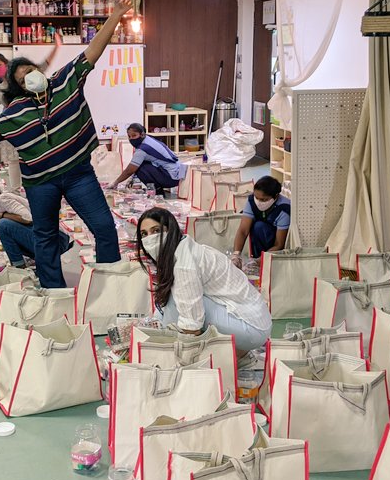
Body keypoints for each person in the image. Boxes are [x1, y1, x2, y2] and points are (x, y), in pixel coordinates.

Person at [0, 0, 135, 288]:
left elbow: (92, 51)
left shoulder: (65, 82)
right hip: (40, 183)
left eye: (30, 71)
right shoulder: (16, 111)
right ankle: (55, 292)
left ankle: (110, 285)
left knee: (104, 227)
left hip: (79, 174)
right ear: (19, 87)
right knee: (45, 236)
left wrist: (115, 16)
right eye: (22, 78)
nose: (29, 77)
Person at [136, 207, 271, 353]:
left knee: (178, 301)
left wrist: (179, 353)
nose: (149, 238)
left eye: (156, 230)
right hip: (253, 320)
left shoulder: (184, 265)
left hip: (251, 328)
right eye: (144, 234)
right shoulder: (183, 248)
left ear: (171, 230)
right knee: (172, 303)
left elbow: (191, 325)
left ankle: (169, 348)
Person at [0, 39, 62, 189]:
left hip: (34, 127)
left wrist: (57, 46)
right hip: (13, 132)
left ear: (6, 63)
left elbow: (43, 65)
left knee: (39, 169)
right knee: (15, 173)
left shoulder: (25, 77)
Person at [0, 177, 70, 269]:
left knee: (4, 225)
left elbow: (28, 218)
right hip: (48, 240)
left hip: (57, 240)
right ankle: (26, 264)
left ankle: (19, 268)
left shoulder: (2, 199)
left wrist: (2, 215)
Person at [107, 123, 186, 193]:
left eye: (134, 135)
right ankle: (157, 188)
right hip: (178, 173)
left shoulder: (143, 149)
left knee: (140, 168)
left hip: (171, 178)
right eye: (129, 136)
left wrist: (115, 182)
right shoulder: (149, 139)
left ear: (142, 134)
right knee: (141, 164)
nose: (131, 139)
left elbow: (129, 170)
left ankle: (156, 190)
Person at [230, 175, 290, 267]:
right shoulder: (251, 201)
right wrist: (236, 254)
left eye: (263, 199)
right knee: (256, 226)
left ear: (276, 196)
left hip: (275, 244)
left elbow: (279, 244)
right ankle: (257, 258)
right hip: (260, 240)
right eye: (256, 197)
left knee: (259, 226)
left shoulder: (284, 209)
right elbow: (243, 231)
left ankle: (261, 261)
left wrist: (259, 261)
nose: (258, 201)